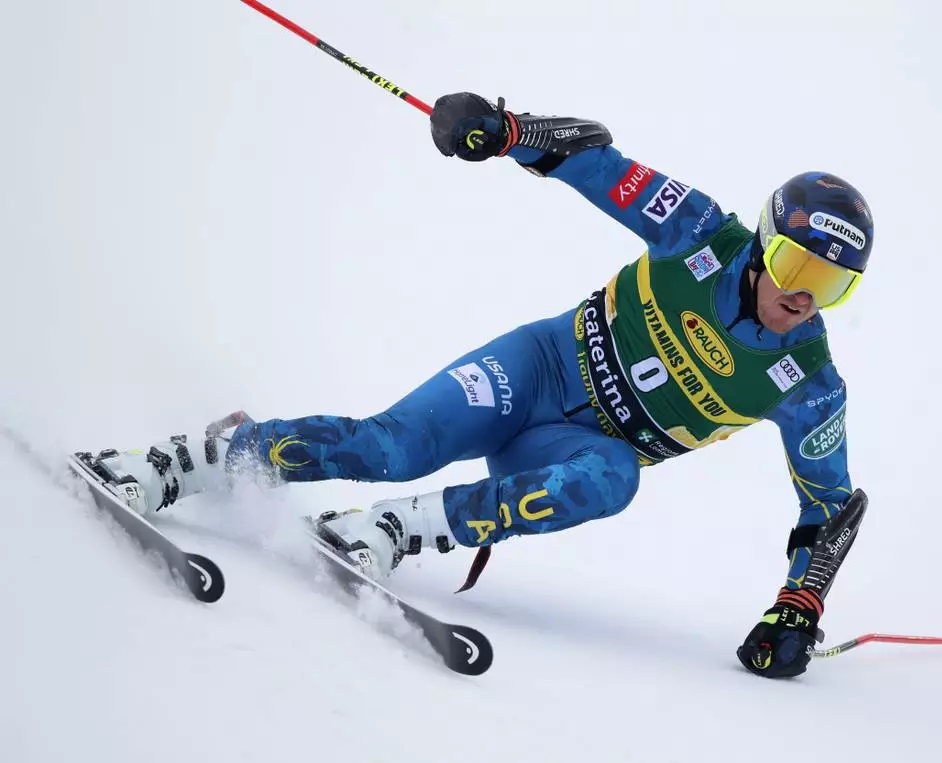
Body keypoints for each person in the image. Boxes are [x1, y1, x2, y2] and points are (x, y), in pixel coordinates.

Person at [91, 92, 876, 679]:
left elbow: (830, 506)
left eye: (832, 284)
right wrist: (505, 133)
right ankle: (181, 460)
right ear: (767, 244)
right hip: (536, 369)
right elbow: (597, 162)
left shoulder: (808, 383)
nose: (804, 294)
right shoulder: (702, 229)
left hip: (580, 447)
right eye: (796, 266)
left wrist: (797, 606)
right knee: (391, 446)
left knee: (615, 480)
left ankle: (394, 531)